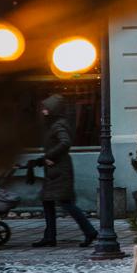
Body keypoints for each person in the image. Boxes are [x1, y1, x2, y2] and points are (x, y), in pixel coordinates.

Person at [32, 94, 98, 248]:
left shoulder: (58, 125)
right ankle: (50, 236)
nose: (43, 111)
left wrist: (50, 156)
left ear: (53, 109)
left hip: (59, 170)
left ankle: (89, 231)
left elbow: (65, 142)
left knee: (66, 203)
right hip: (56, 169)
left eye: (46, 109)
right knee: (49, 201)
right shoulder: (55, 124)